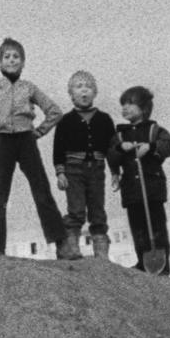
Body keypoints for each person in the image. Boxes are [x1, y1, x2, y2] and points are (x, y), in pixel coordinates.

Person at [0, 36, 68, 256]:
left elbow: (55, 111)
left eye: (16, 57)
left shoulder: (29, 87)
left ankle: (61, 243)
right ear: (0, 63)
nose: (11, 60)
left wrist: (39, 131)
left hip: (26, 140)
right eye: (7, 57)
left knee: (41, 190)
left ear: (23, 62)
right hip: (3, 141)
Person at [107, 84, 170, 275]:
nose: (125, 108)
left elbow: (168, 146)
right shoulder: (119, 134)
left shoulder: (155, 130)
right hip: (132, 189)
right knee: (138, 227)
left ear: (144, 108)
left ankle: (163, 265)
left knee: (157, 226)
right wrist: (121, 149)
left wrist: (151, 147)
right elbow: (110, 155)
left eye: (130, 104)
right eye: (123, 105)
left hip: (152, 187)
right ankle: (143, 261)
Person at [50, 70, 117, 260]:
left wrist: (115, 171)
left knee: (97, 210)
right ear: (71, 94)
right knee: (76, 210)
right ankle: (70, 247)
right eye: (79, 87)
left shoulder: (104, 119)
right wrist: (60, 173)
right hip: (73, 171)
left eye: (88, 87)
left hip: (97, 169)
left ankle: (101, 252)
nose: (84, 91)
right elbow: (58, 149)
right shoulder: (65, 121)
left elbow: (112, 147)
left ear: (95, 92)